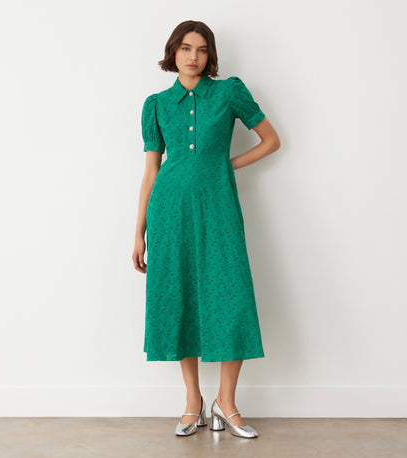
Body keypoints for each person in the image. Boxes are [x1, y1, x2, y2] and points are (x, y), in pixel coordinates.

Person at [133, 20, 281, 438]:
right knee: (181, 297)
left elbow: (271, 140)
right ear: (173, 52)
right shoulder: (157, 104)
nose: (193, 56)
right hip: (169, 213)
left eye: (201, 49)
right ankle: (192, 402)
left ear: (209, 55)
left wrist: (225, 167)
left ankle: (226, 404)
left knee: (231, 297)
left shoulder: (229, 91)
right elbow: (151, 172)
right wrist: (139, 232)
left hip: (219, 209)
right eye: (185, 48)